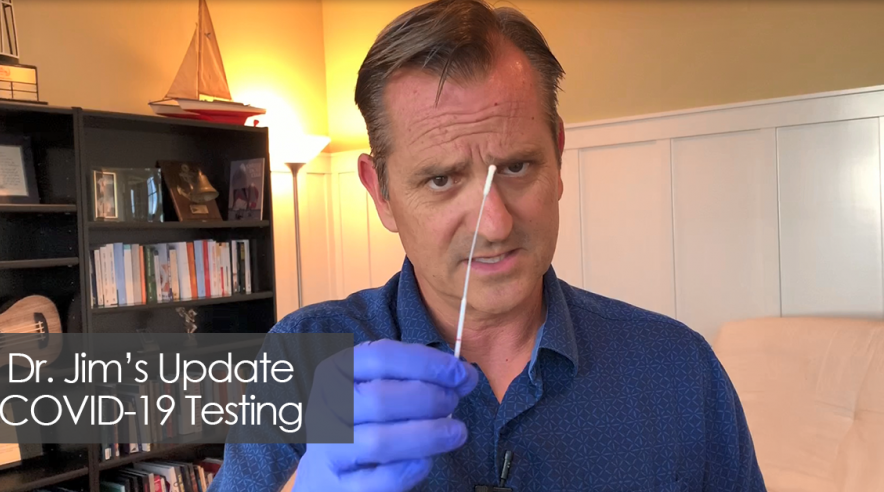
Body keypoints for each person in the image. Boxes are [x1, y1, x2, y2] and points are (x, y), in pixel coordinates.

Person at [209, 0, 766, 490]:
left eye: (517, 167)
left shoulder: (678, 370)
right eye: (442, 180)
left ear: (558, 157)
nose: (495, 225)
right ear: (381, 194)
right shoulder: (304, 359)